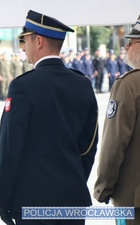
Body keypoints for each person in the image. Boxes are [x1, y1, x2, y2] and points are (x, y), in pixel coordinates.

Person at [0, 10, 98, 225]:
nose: (23, 48)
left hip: (33, 202)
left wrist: (1, 198)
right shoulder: (82, 84)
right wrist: (73, 181)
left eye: (25, 41)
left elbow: (10, 149)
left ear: (38, 41)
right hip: (72, 201)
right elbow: (89, 146)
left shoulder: (22, 86)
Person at [94, 14, 140, 225]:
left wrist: (104, 187)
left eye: (129, 43)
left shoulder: (129, 86)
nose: (126, 48)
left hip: (134, 200)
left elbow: (114, 144)